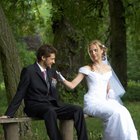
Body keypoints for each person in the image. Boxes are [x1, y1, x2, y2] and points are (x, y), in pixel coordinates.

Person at [0, 44, 88, 140]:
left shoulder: (52, 72)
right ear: (43, 58)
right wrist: (9, 114)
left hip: (51, 105)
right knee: (50, 111)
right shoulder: (29, 71)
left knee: (78, 110)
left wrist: (58, 104)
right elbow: (20, 92)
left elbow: (53, 91)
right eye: (52, 59)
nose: (54, 62)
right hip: (35, 106)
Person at [57, 40, 138, 140]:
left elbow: (108, 87)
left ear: (102, 51)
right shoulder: (86, 68)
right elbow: (72, 85)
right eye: (91, 51)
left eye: (95, 50)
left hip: (104, 101)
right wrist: (62, 79)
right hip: (92, 103)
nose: (93, 53)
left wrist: (111, 94)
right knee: (115, 112)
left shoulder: (108, 68)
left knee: (123, 111)